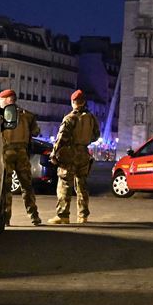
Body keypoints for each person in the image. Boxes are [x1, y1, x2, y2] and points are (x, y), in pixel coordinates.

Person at [48, 90, 100, 225]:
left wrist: (54, 154)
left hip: (69, 154)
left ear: (73, 102)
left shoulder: (70, 118)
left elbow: (61, 138)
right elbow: (96, 135)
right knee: (82, 185)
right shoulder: (91, 118)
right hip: (84, 153)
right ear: (84, 102)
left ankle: (63, 215)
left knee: (65, 184)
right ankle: (83, 216)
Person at [0, 89, 42, 226]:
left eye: (0, 101)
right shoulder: (27, 115)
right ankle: (34, 216)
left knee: (6, 188)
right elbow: (36, 132)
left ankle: (6, 218)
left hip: (7, 153)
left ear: (7, 100)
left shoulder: (1, 115)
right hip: (22, 154)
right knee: (27, 186)